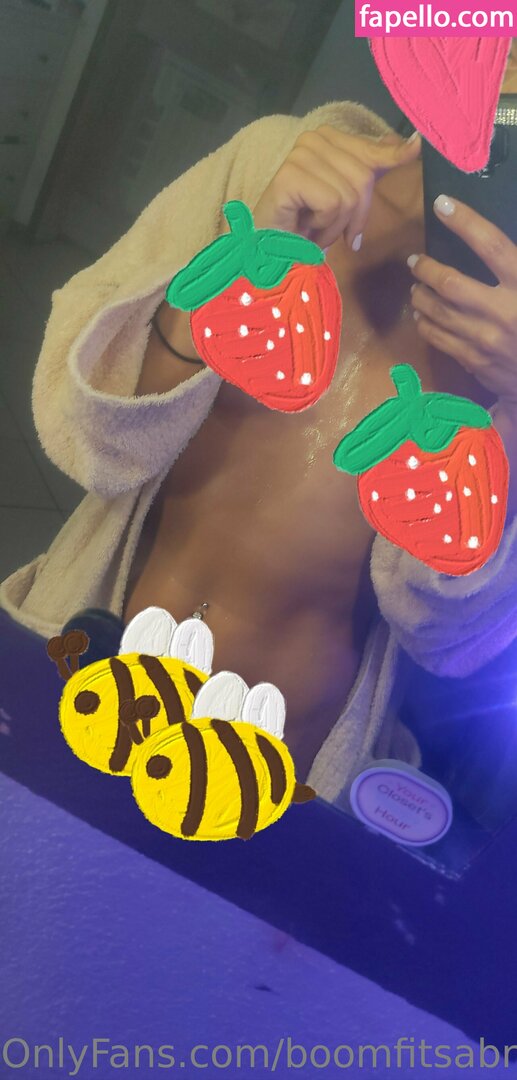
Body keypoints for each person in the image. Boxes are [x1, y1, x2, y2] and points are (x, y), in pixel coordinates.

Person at [1, 72, 516, 809]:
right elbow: (94, 440)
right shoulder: (274, 161)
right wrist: (231, 264)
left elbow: (449, 638)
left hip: (280, 773)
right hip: (83, 670)